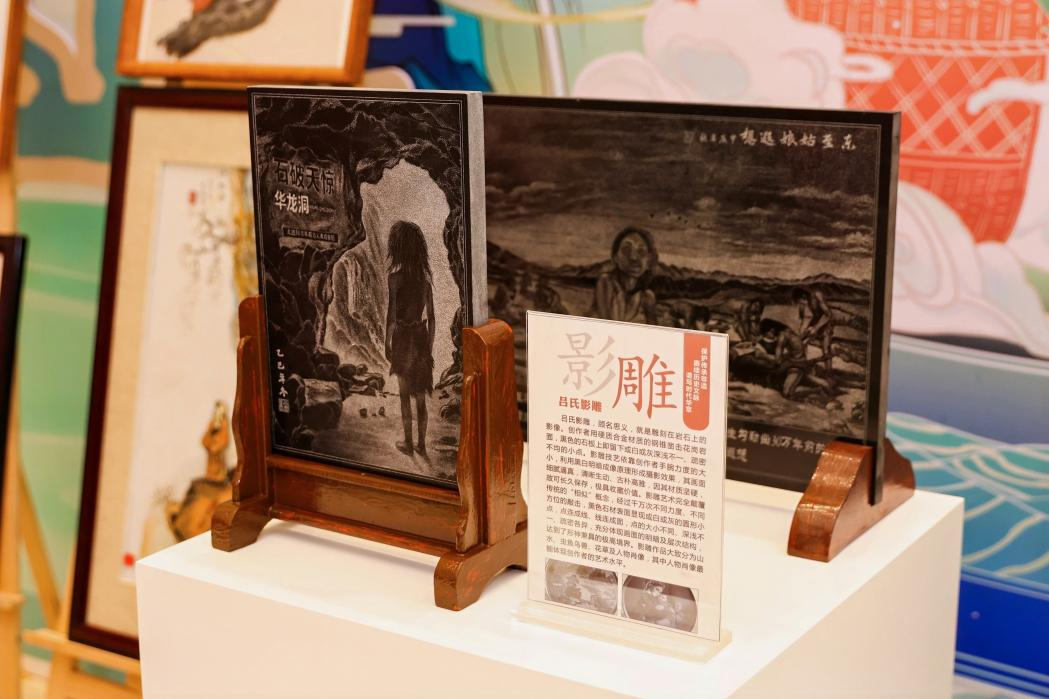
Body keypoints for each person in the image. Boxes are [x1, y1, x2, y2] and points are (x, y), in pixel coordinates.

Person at [384, 221, 436, 457]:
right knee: (421, 398)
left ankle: (408, 443)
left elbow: (391, 317)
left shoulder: (394, 279)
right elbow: (432, 319)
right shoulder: (425, 281)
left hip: (403, 339)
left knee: (405, 395)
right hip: (421, 338)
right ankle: (422, 446)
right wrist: (429, 348)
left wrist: (387, 342)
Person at [592, 226, 658, 323]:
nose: (633, 257)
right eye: (626, 250)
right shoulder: (606, 282)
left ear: (648, 261)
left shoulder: (648, 297)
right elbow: (609, 324)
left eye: (641, 251)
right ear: (615, 257)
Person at [793, 287, 834, 375]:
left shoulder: (817, 295)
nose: (802, 305)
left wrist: (816, 328)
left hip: (825, 322)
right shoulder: (805, 302)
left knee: (826, 348)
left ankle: (829, 373)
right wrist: (802, 332)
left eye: (801, 302)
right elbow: (803, 318)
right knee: (801, 341)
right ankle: (802, 365)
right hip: (815, 322)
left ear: (803, 296)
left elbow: (828, 315)